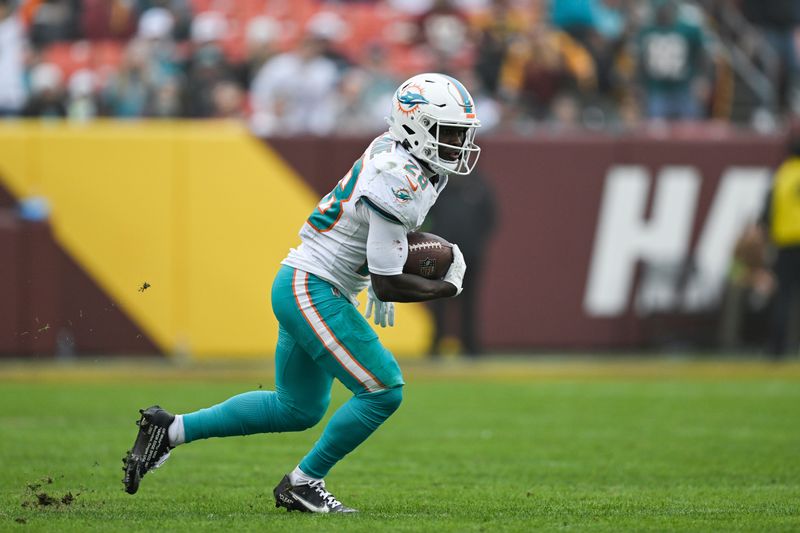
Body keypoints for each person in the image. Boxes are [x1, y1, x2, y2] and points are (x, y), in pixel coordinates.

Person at [122, 73, 481, 513]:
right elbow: (388, 279)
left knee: (297, 408)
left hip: (306, 282)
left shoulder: (402, 158)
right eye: (449, 132)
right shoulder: (397, 175)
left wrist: (386, 264)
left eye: (462, 133)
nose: (458, 143)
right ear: (414, 124)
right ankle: (303, 482)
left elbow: (382, 240)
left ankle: (170, 430)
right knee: (384, 390)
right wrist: (446, 287)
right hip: (314, 287)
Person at [427, 166, 496, 357]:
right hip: (441, 254)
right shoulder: (438, 184)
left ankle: (470, 346)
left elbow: (491, 218)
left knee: (469, 301)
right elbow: (425, 216)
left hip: (470, 255)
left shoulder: (479, 185)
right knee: (437, 298)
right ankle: (436, 344)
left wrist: (475, 243)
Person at [760, 136, 800, 358]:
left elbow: (767, 213)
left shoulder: (781, 176)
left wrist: (768, 238)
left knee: (784, 298)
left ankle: (777, 350)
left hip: (786, 244)